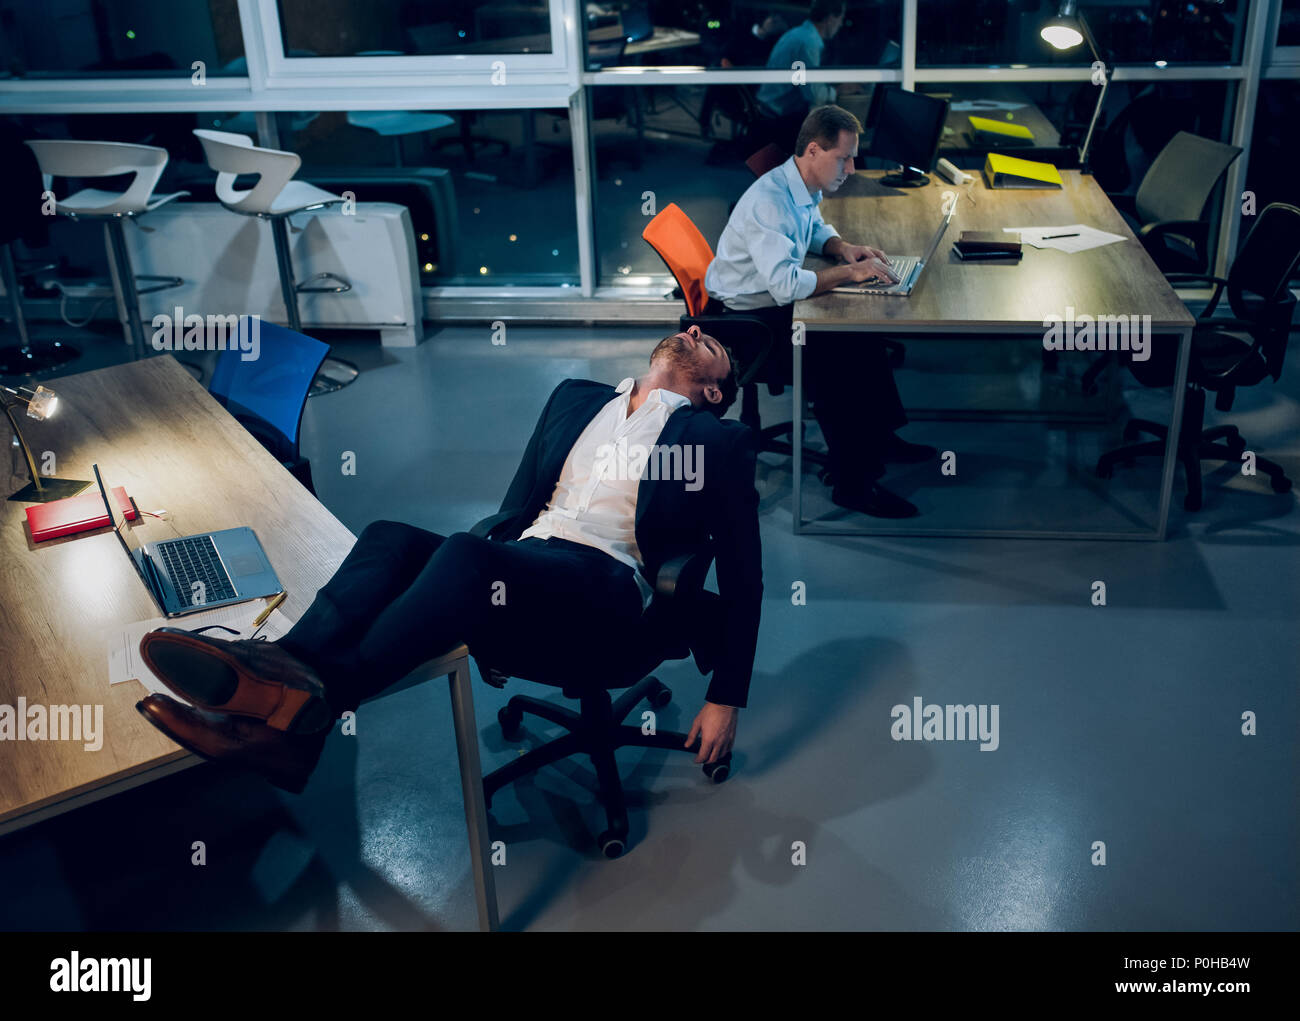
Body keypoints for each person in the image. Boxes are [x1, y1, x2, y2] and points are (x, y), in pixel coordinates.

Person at [132, 328, 762, 793]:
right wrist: (475, 587)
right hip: (530, 564)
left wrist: (725, 696)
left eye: (714, 350)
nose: (695, 331)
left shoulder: (716, 440)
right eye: (694, 329)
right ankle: (288, 680)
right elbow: (515, 506)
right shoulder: (577, 397)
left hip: (607, 584)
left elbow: (744, 575)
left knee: (463, 553)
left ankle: (299, 710)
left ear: (714, 389)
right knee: (390, 537)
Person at [704, 103, 936, 518]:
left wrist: (843, 248)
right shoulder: (770, 203)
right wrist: (851, 272)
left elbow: (812, 228)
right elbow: (787, 284)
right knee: (837, 357)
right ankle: (852, 483)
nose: (850, 167)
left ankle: (881, 438)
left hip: (768, 304)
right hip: (748, 326)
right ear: (813, 150)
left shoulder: (800, 184)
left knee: (860, 338)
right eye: (843, 158)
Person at [755, 0, 847, 150]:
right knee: (841, 138)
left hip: (771, 111)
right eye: (841, 18)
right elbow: (812, 94)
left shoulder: (799, 34)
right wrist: (838, 91)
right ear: (830, 18)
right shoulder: (807, 43)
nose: (841, 24)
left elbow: (803, 81)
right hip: (778, 120)